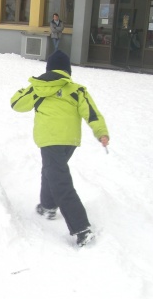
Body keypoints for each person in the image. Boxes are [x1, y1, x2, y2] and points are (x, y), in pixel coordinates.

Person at [10, 50, 110, 247]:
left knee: (60, 181)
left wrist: (30, 88)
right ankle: (47, 206)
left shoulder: (38, 87)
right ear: (68, 71)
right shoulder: (76, 89)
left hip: (49, 140)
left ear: (48, 69)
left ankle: (82, 228)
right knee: (53, 172)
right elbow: (92, 113)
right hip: (69, 141)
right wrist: (101, 133)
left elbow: (16, 103)